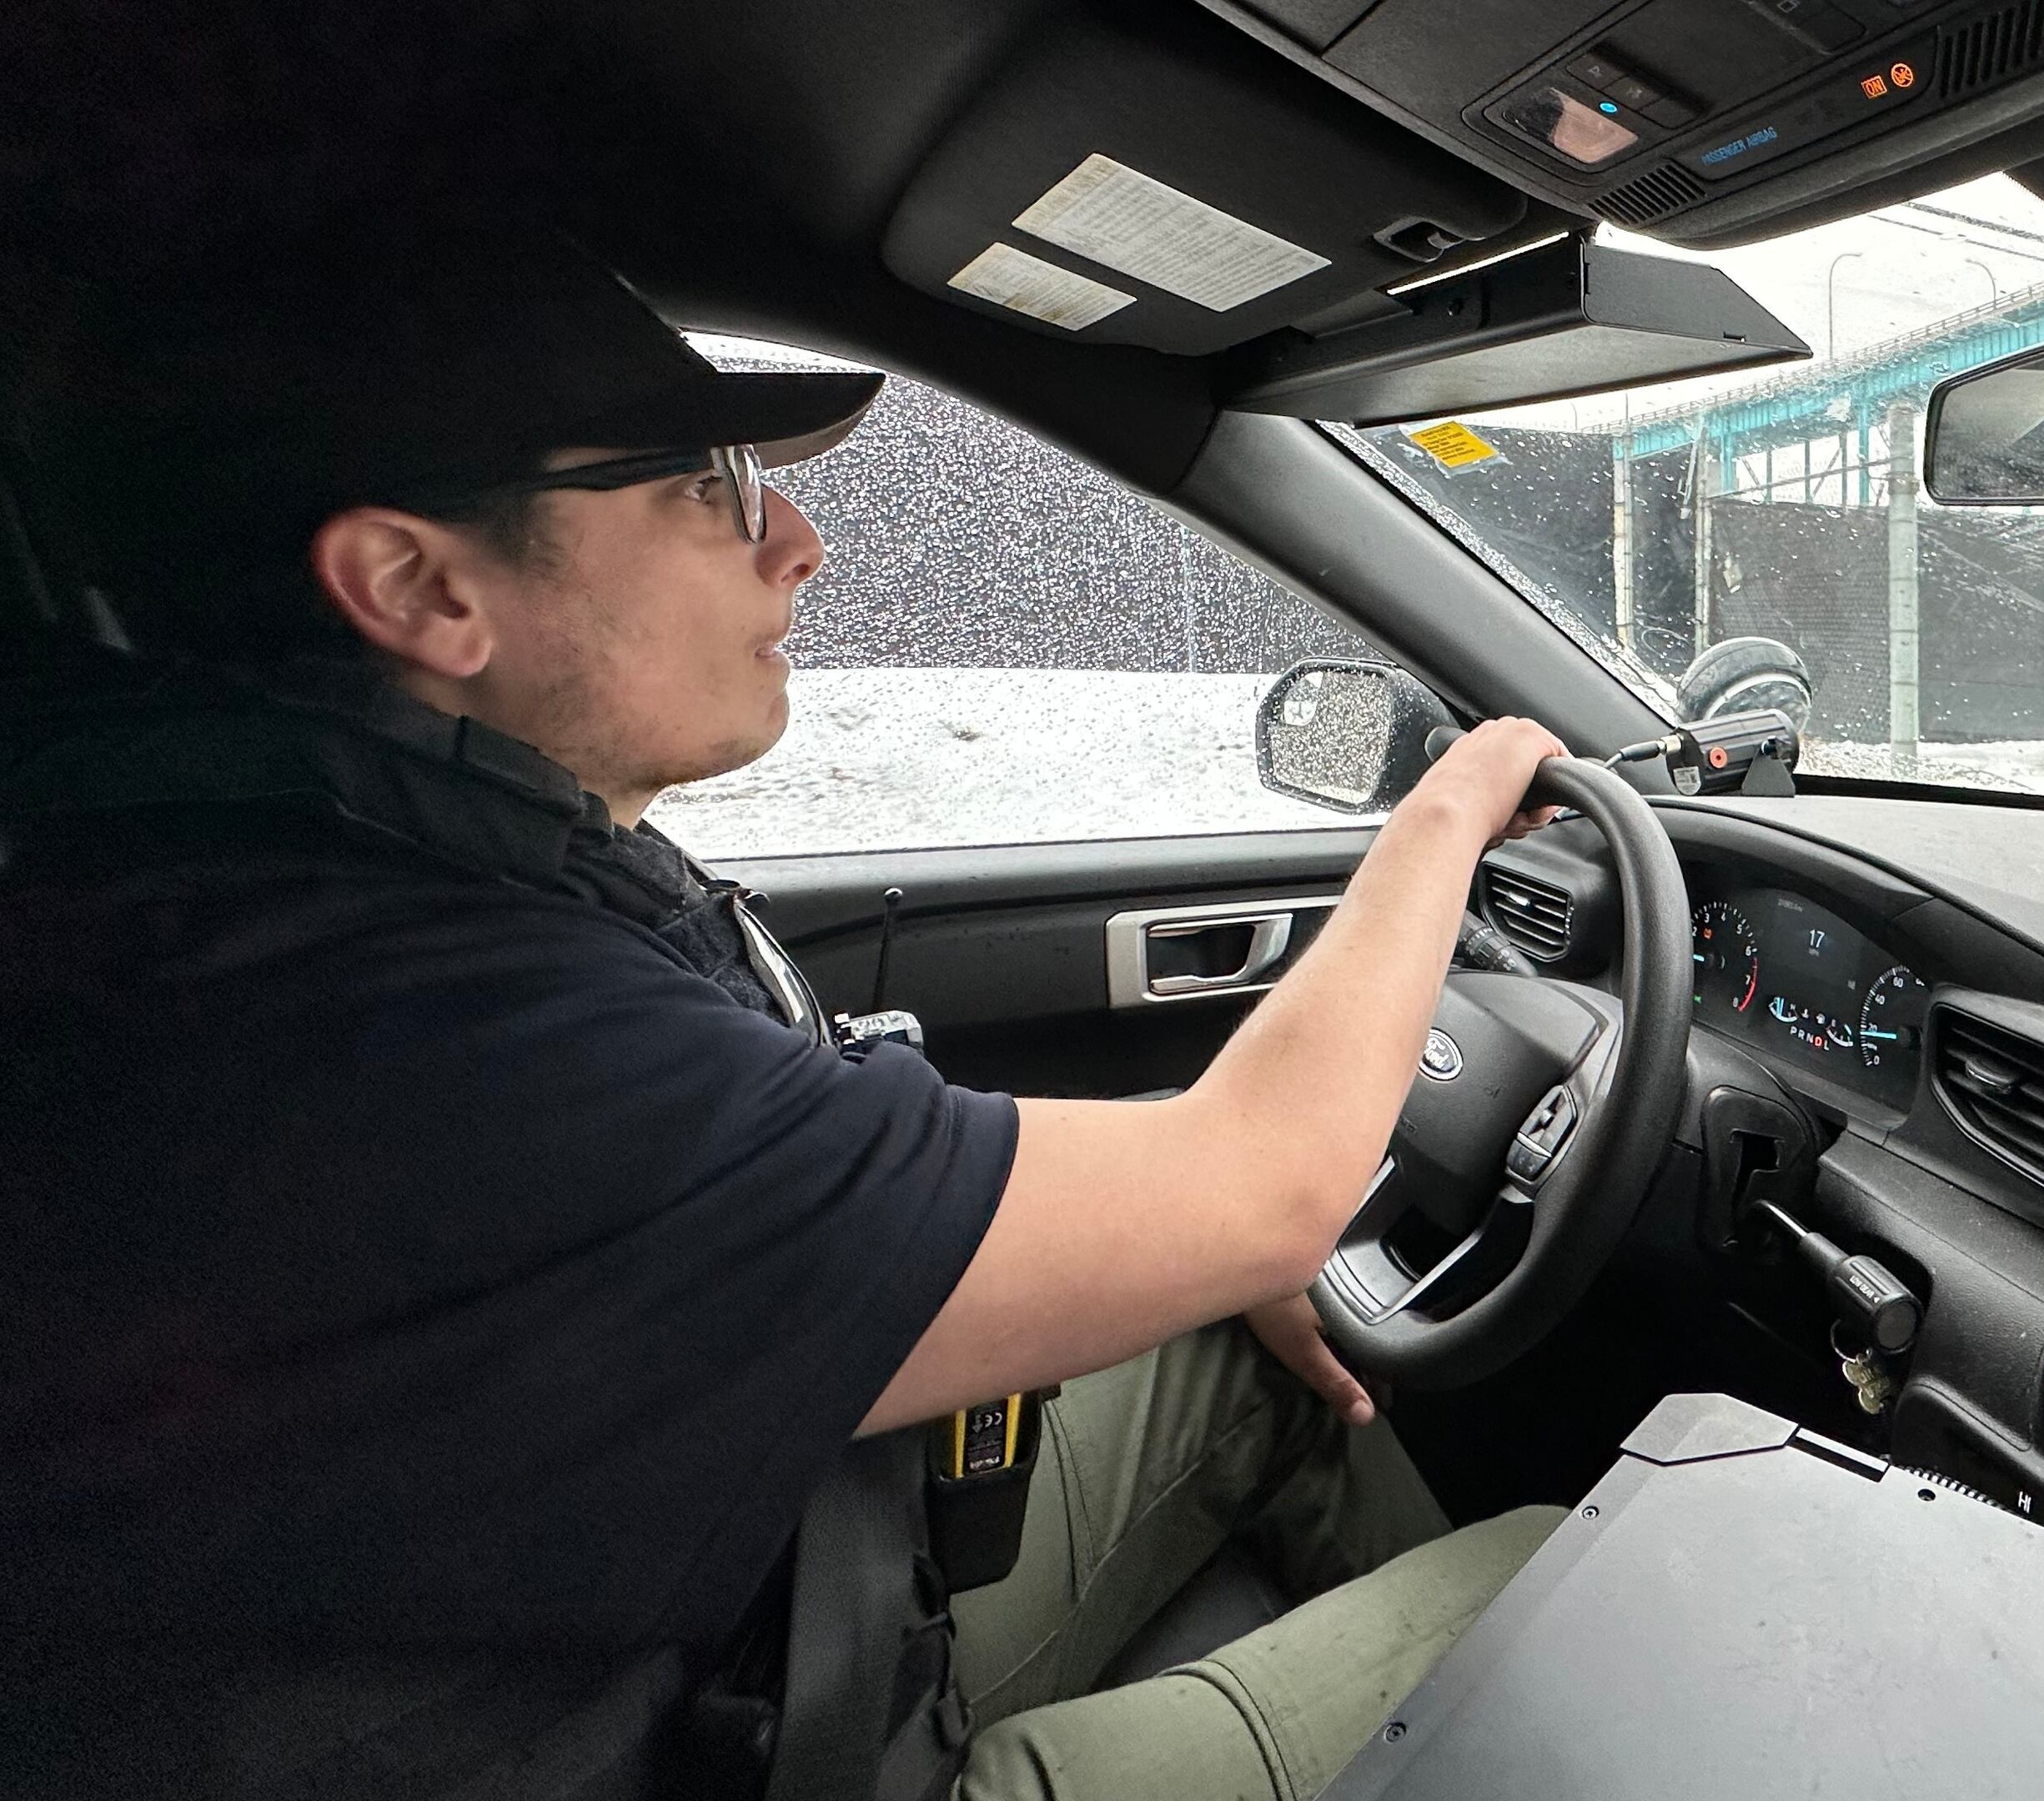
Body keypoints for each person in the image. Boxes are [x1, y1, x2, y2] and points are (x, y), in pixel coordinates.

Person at [0, 221, 1571, 1800]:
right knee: (1553, 1573)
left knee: (1241, 1339)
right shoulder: (459, 1045)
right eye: (703, 484)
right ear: (419, 587)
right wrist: (1446, 813)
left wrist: (1217, 1242)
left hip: (758, 1605)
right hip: (765, 1732)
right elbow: (1275, 1189)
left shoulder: (289, 886)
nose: (797, 539)